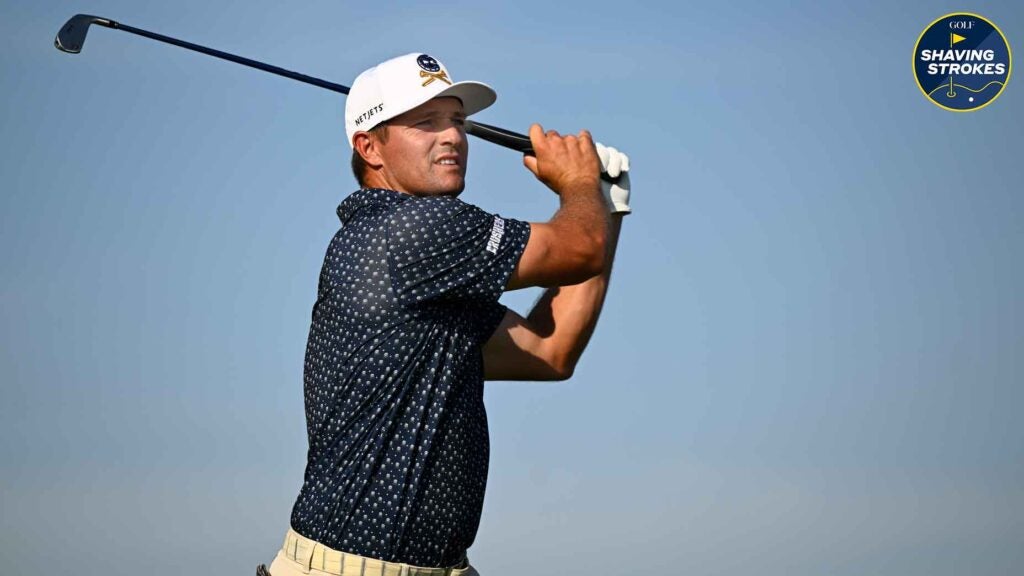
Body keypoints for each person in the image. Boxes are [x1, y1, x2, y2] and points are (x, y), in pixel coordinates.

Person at [262, 52, 632, 576]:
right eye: (425, 122)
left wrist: (603, 205)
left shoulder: (433, 274)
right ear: (370, 147)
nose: (453, 136)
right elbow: (580, 248)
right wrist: (577, 183)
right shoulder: (412, 230)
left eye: (458, 120)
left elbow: (551, 351)